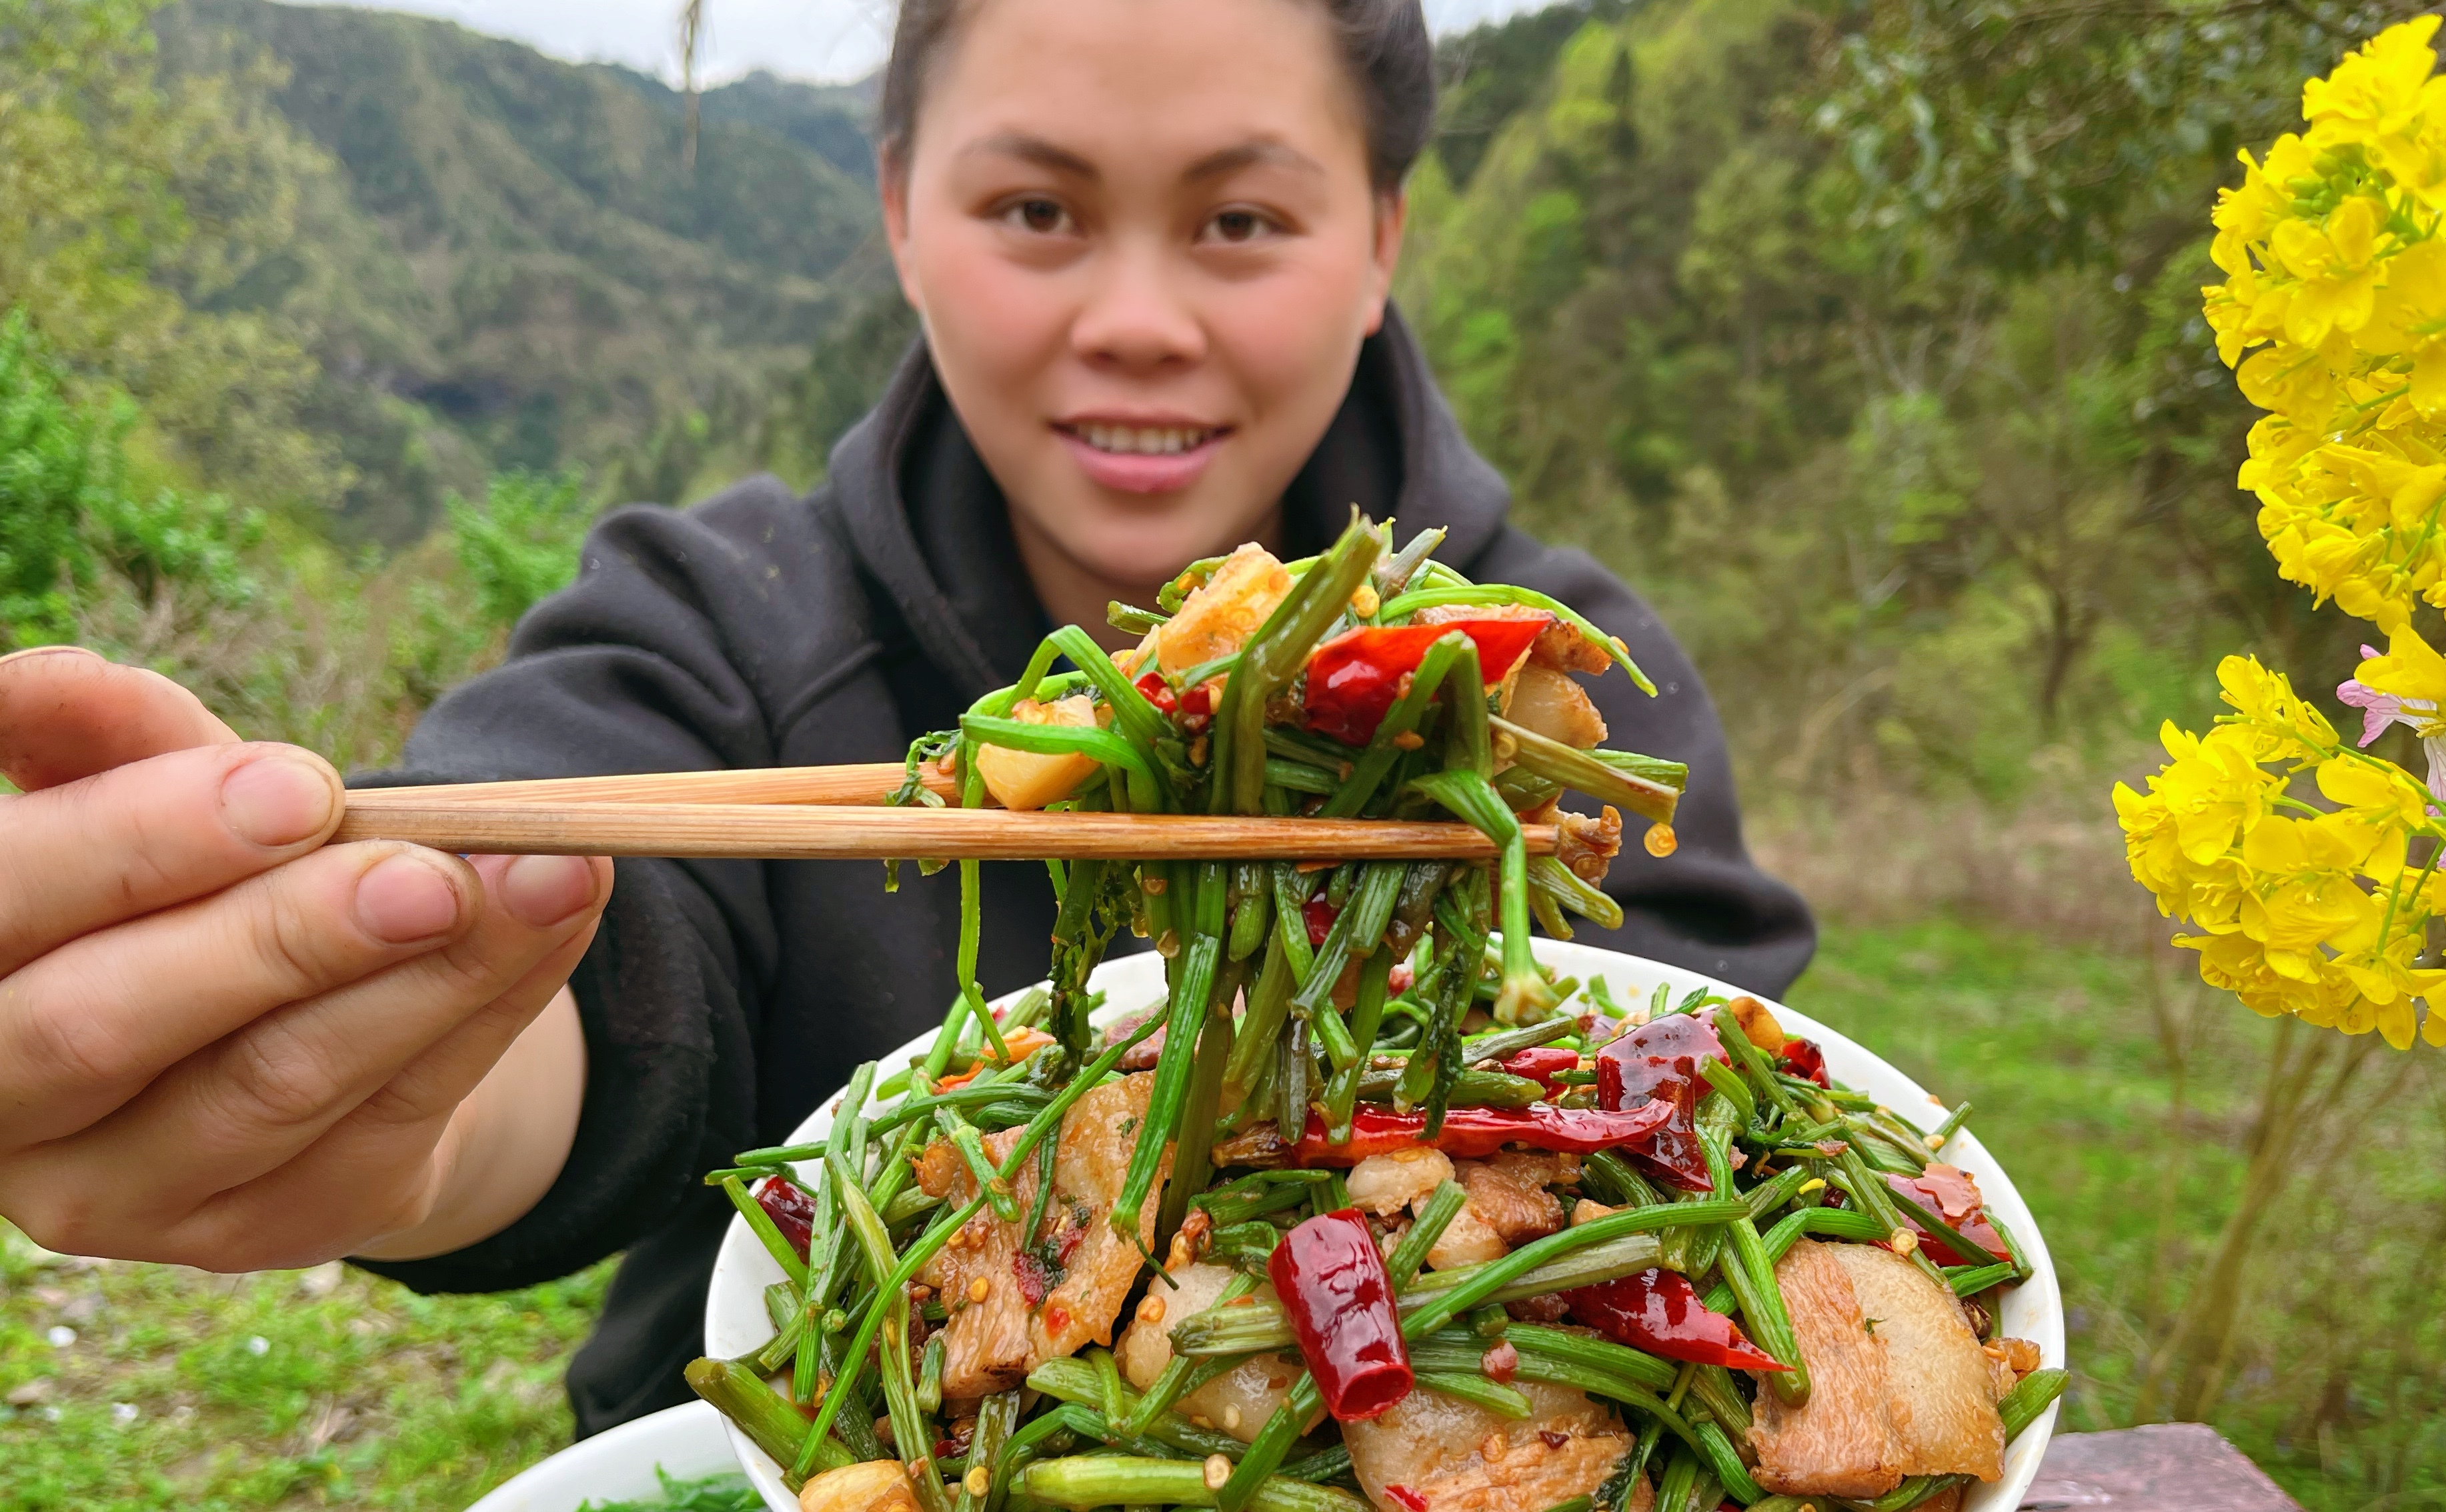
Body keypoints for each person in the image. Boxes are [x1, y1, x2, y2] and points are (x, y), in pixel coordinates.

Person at [0, 0, 1813, 1436]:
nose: (1136, 319)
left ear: (1379, 240)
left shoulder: (1553, 703)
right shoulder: (728, 624)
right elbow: (577, 942)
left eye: (1241, 219)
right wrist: (367, 1062)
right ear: (896, 212)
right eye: (1037, 210)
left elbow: (1718, 1095)